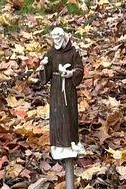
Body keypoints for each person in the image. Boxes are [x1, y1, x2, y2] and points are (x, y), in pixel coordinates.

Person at [39, 27, 85, 159]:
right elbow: (45, 75)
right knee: (57, 115)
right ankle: (58, 143)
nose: (56, 41)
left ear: (64, 38)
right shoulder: (51, 53)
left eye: (58, 39)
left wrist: (71, 73)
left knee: (70, 114)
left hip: (69, 88)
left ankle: (72, 141)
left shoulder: (73, 52)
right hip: (56, 89)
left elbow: (79, 69)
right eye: (54, 39)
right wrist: (44, 66)